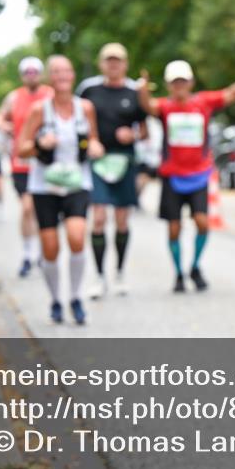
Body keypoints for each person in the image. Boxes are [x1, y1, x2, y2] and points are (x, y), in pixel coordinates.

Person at [139, 60, 235, 293]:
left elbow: (231, 94)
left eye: (183, 81)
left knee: (202, 222)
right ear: (168, 85)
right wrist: (142, 90)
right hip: (172, 176)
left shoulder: (203, 103)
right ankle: (178, 273)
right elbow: (148, 106)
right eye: (175, 82)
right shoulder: (165, 107)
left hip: (198, 175)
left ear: (191, 82)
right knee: (174, 228)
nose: (179, 86)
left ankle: (195, 266)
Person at [17, 55, 104, 325]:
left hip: (77, 182)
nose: (62, 76)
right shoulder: (39, 110)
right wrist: (40, 144)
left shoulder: (85, 108)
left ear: (73, 75)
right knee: (50, 248)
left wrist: (96, 147)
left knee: (77, 237)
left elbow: (94, 139)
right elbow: (21, 149)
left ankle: (75, 297)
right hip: (45, 186)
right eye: (56, 71)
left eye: (66, 70)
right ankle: (56, 299)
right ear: (49, 78)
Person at [76, 43, 149, 300]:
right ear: (101, 63)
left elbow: (145, 131)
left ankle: (119, 272)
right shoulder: (89, 89)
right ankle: (98, 276)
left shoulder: (134, 91)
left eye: (118, 61)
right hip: (98, 160)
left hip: (124, 160)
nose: (113, 65)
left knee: (121, 219)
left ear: (125, 64)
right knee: (98, 218)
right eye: (109, 60)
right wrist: (89, 142)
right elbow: (75, 121)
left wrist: (133, 135)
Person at [0, 57, 54, 277]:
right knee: (28, 207)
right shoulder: (14, 97)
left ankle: (42, 251)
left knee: (42, 210)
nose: (31, 76)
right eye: (27, 72)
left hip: (45, 159)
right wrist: (4, 125)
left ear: (41, 74)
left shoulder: (50, 94)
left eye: (34, 72)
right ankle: (29, 254)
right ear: (22, 76)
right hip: (21, 161)